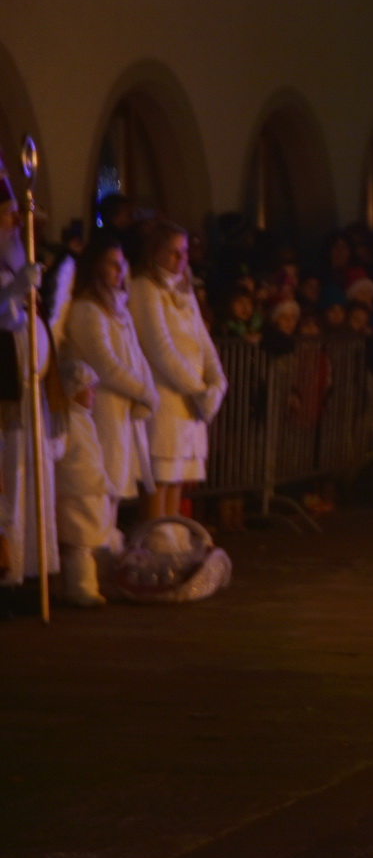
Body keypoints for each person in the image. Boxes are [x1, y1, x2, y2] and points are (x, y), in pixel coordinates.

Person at [130, 219, 227, 521]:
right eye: (174, 252)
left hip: (189, 405)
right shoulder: (144, 288)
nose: (181, 259)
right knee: (160, 478)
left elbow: (203, 341)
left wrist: (217, 382)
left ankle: (172, 539)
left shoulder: (184, 290)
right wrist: (198, 389)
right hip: (165, 399)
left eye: (184, 252)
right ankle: (155, 543)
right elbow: (160, 349)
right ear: (154, 252)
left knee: (178, 480)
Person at [62, 232, 156, 539]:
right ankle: (94, 554)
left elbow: (136, 356)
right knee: (100, 486)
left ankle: (106, 549)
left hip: (120, 413)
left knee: (114, 484)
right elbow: (106, 364)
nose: (120, 271)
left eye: (121, 264)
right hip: (99, 410)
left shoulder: (119, 310)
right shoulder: (87, 310)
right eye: (112, 265)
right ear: (95, 267)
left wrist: (147, 390)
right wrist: (142, 390)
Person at [0, 181, 57, 607]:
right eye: (8, 214)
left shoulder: (13, 262)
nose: (16, 223)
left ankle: (23, 570)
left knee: (24, 480)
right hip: (4, 391)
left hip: (23, 390)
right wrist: (12, 293)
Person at [55, 360, 117, 607]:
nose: (92, 394)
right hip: (76, 492)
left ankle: (72, 586)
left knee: (87, 542)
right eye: (87, 388)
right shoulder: (66, 420)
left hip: (90, 490)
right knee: (79, 545)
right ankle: (82, 589)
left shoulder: (83, 419)